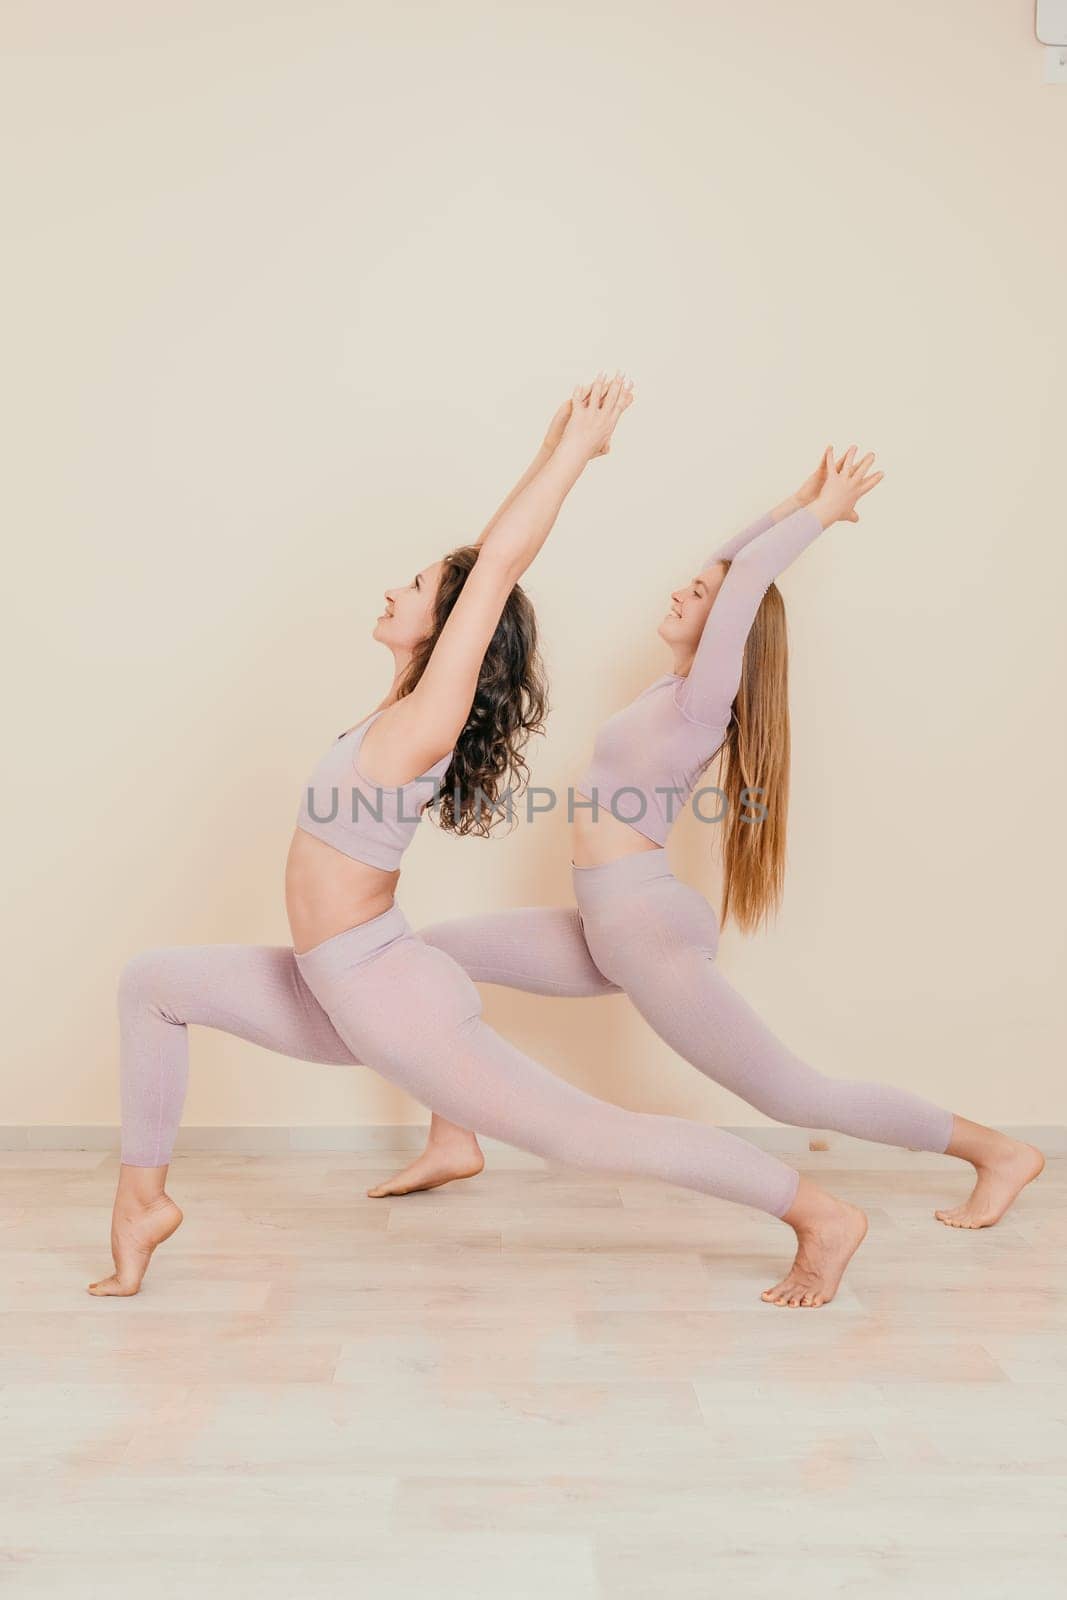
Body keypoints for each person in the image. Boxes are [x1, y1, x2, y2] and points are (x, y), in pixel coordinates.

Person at [366, 442, 1045, 1309]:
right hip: (605, 925)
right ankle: (452, 1136)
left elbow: (749, 575)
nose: (687, 588)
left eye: (704, 595)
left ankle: (995, 1152)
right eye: (693, 582)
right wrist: (793, 498)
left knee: (792, 1093)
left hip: (642, 931)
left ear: (732, 627)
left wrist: (815, 518)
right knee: (430, 960)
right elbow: (735, 562)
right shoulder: (671, 689)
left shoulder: (702, 702)